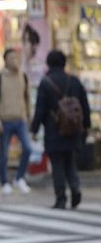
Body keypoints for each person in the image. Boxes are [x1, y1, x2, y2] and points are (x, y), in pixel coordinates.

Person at [30, 49, 91, 209]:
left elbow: (40, 109)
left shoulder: (46, 83)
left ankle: (61, 197)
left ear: (49, 63)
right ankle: (76, 188)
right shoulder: (74, 81)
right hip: (73, 128)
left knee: (57, 163)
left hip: (54, 129)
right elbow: (84, 105)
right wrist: (86, 126)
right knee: (70, 160)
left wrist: (34, 129)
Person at [0, 48, 32, 195]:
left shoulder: (23, 77)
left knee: (28, 148)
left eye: (17, 58)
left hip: (20, 119)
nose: (15, 61)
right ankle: (4, 182)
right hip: (5, 120)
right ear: (5, 60)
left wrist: (29, 116)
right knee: (4, 154)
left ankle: (19, 177)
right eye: (12, 58)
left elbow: (27, 99)